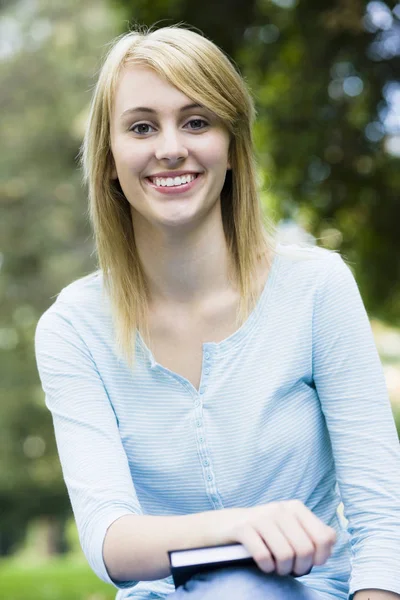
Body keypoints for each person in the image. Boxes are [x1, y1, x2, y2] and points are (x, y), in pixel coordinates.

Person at [34, 24, 400, 600]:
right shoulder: (72, 329)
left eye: (197, 121)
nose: (171, 147)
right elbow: (110, 543)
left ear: (232, 148)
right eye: (141, 127)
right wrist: (239, 528)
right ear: (108, 158)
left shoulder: (317, 288)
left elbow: (383, 518)